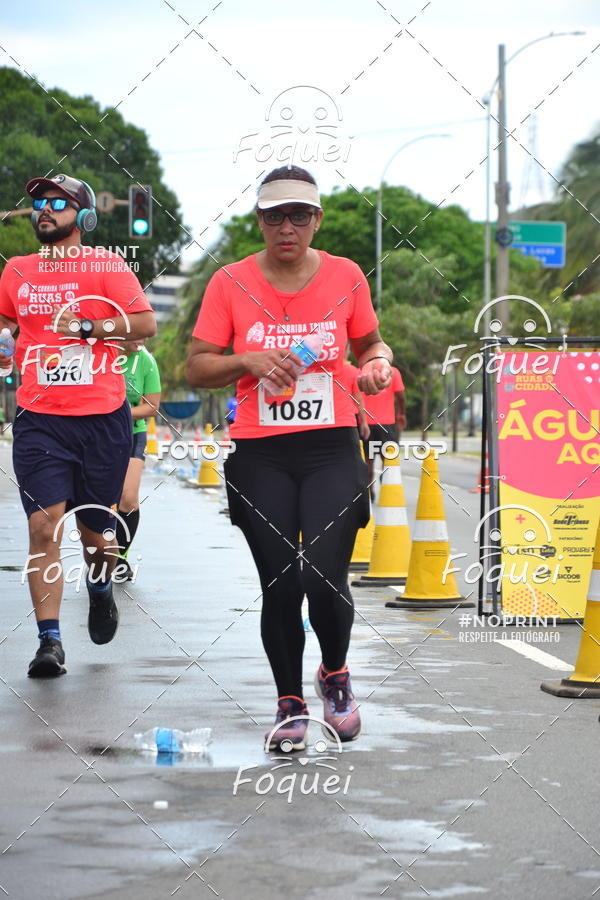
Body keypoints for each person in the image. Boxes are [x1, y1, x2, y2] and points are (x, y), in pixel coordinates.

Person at [185, 165, 393, 751]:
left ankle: (335, 674)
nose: (287, 226)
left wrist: (377, 363)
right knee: (280, 584)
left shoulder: (347, 276)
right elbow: (196, 366)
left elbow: (369, 343)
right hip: (261, 454)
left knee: (323, 575)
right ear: (259, 220)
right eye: (274, 215)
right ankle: (290, 703)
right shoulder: (229, 282)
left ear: (316, 219)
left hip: (330, 447)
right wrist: (247, 361)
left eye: (299, 215)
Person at [0, 174, 156, 678]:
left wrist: (91, 327)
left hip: (102, 421)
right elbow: (5, 325)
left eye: (57, 203)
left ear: (84, 216)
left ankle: (100, 587)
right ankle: (50, 642)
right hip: (40, 420)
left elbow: (143, 323)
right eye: (39, 203)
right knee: (43, 528)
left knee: (96, 534)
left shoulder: (106, 266)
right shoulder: (16, 271)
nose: (44, 210)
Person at [115, 339, 162, 580]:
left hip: (133, 433)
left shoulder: (146, 360)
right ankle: (101, 555)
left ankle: (120, 558)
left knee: (129, 499)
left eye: (147, 334)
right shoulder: (103, 354)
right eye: (137, 333)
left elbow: (151, 406)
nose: (142, 340)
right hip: (99, 437)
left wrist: (117, 412)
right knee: (104, 501)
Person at [361, 365, 406, 492]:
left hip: (366, 423)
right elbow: (401, 397)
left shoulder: (361, 371)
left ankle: (370, 491)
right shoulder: (393, 372)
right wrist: (401, 414)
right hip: (386, 424)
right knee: (388, 460)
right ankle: (387, 487)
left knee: (368, 460)